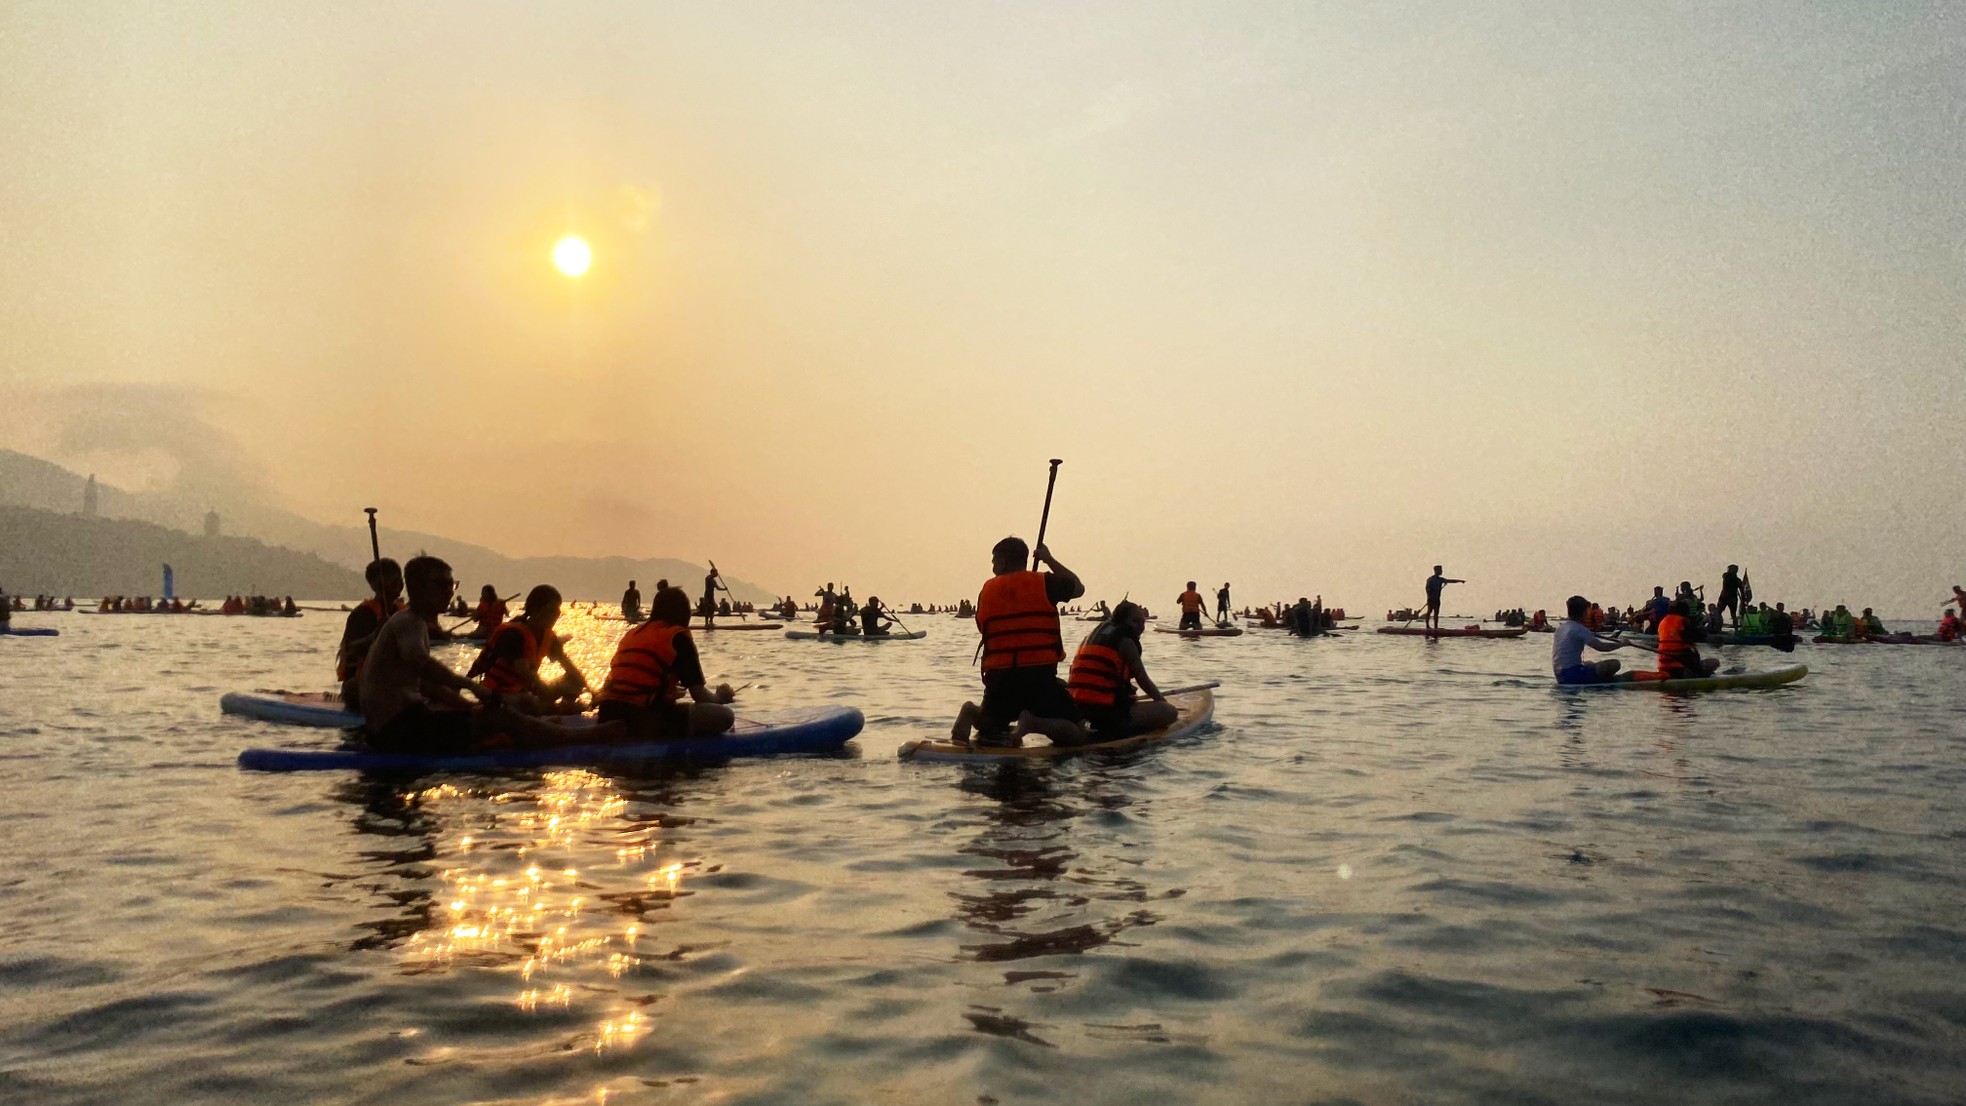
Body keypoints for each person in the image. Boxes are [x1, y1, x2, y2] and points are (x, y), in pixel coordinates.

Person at [360, 556, 601, 752]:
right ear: (419, 587)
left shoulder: (414, 623)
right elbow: (422, 664)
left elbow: (426, 685)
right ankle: (579, 737)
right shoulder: (408, 622)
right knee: (503, 719)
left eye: (452, 585)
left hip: (403, 724)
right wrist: (472, 686)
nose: (450, 592)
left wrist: (469, 707)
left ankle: (544, 726)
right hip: (399, 732)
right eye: (443, 585)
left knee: (498, 713)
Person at [950, 536, 1085, 747]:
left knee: (993, 723)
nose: (993, 566)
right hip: (1039, 678)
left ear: (1003, 561)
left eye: (994, 560)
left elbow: (983, 627)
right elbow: (1078, 588)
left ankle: (972, 712)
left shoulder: (986, 590)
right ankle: (1034, 724)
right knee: (1078, 731)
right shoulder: (1045, 582)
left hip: (999, 682)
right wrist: (1049, 559)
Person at [597, 585, 735, 739]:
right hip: (643, 720)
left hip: (607, 714)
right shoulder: (679, 637)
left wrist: (665, 694)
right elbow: (699, 695)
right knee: (725, 716)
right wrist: (720, 698)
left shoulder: (633, 633)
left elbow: (630, 680)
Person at [466, 585, 590, 713]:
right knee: (527, 700)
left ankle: (564, 708)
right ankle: (555, 711)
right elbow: (524, 672)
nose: (554, 616)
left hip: (523, 692)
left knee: (574, 682)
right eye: (550, 611)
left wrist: (589, 690)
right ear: (535, 610)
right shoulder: (514, 634)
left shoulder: (549, 637)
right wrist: (546, 692)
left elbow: (568, 665)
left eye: (557, 612)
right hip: (495, 694)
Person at [1065, 600, 1178, 741]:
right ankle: (1120, 730)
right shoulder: (1126, 642)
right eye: (1135, 621)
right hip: (1105, 712)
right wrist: (1162, 702)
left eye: (1142, 622)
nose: (1140, 627)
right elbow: (1143, 680)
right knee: (1169, 712)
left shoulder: (1090, 637)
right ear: (1121, 621)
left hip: (1078, 710)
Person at [338, 558, 404, 711]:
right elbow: (352, 649)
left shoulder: (401, 611)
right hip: (364, 681)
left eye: (400, 578)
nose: (399, 584)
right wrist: (377, 635)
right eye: (393, 580)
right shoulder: (363, 614)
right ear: (376, 585)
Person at [1553, 595, 1629, 684]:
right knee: (1615, 664)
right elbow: (1601, 647)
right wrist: (1622, 644)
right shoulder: (1580, 629)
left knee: (1589, 663)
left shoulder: (1561, 628)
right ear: (1583, 612)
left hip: (1560, 675)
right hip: (1573, 676)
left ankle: (1594, 676)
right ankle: (1607, 681)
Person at [1649, 598, 1721, 680]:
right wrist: (1710, 638)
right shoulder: (1681, 622)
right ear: (1686, 612)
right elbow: (1695, 635)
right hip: (1680, 670)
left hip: (1663, 668)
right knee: (1715, 662)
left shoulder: (1663, 622)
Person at [1422, 566, 1463, 631]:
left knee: (1436, 613)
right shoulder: (1430, 579)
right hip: (1431, 598)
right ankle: (1427, 626)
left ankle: (1435, 627)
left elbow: (1450, 581)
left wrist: (1460, 581)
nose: (1441, 572)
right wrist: (1430, 595)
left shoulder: (1440, 580)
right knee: (1429, 611)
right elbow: (1427, 589)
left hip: (1437, 599)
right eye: (1440, 570)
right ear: (1436, 571)